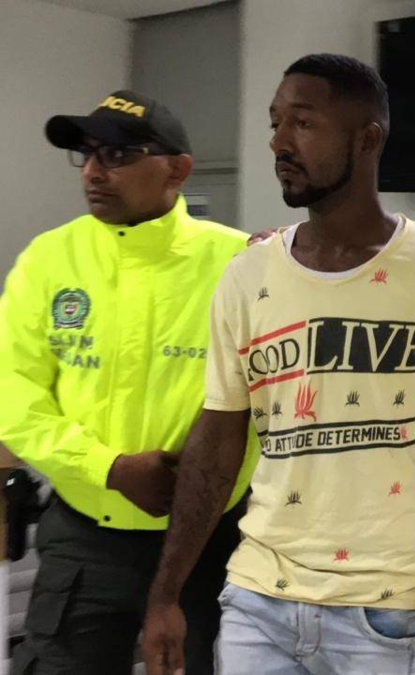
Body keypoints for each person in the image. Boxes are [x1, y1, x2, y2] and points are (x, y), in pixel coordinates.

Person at [140, 53, 415, 675]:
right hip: (259, 600)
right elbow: (218, 438)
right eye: (275, 122)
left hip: (387, 607)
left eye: (302, 123)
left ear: (367, 139)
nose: (279, 142)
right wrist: (166, 593)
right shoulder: (247, 276)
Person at [0, 90, 256, 674]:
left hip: (209, 542)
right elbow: (13, 396)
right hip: (85, 541)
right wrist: (109, 469)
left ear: (177, 169)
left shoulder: (238, 262)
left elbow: (265, 406)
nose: (93, 172)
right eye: (88, 154)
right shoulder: (50, 259)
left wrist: (196, 489)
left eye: (117, 155)